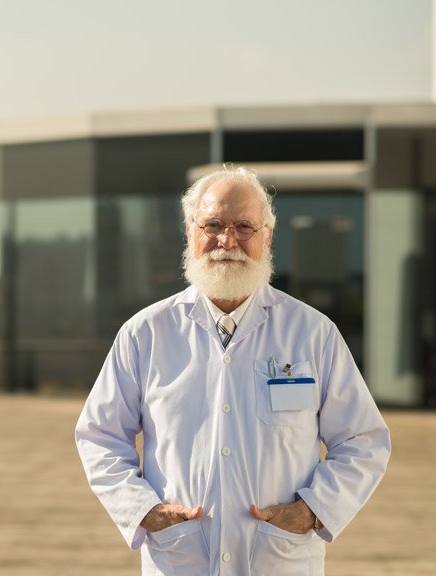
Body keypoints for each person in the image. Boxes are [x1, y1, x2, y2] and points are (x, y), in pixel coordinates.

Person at [74, 166, 390, 575]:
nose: (228, 240)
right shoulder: (145, 333)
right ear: (190, 231)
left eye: (245, 226)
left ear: (268, 237)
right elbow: (99, 435)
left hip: (280, 559)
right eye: (213, 225)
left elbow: (363, 440)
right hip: (180, 557)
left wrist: (312, 511)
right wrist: (143, 510)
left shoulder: (313, 333)